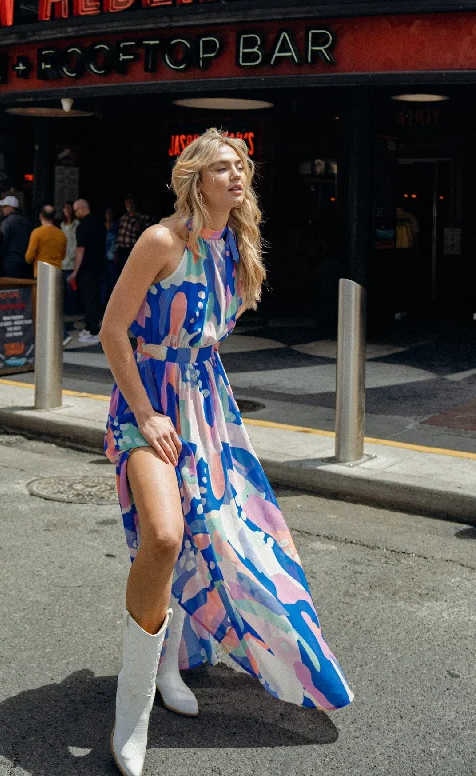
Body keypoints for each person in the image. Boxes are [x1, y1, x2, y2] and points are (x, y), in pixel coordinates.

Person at [100, 129, 353, 776]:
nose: (236, 175)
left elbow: (208, 334)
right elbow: (111, 331)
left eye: (241, 165)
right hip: (148, 401)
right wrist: (148, 412)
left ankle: (169, 670)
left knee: (219, 536)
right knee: (162, 535)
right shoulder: (163, 241)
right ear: (194, 178)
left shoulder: (236, 246)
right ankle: (132, 717)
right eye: (221, 166)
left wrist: (198, 407)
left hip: (205, 405)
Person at [68, 199, 105, 344]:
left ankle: (92, 330)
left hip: (86, 267)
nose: (76, 213)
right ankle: (92, 326)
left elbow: (80, 250)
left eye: (76, 210)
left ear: (82, 209)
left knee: (88, 299)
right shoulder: (99, 223)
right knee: (94, 297)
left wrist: (75, 271)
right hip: (98, 265)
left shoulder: (83, 226)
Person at [25, 205, 67, 277]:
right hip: (56, 273)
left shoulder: (37, 232)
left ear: (40, 216)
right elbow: (63, 256)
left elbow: (29, 257)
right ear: (53, 217)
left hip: (41, 273)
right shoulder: (61, 234)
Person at [114, 195, 151, 275]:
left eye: (131, 203)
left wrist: (141, 229)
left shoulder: (142, 218)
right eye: (127, 204)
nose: (129, 206)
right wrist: (116, 251)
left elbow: (148, 235)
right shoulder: (123, 218)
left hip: (133, 250)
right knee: (120, 273)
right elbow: (119, 236)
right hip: (121, 250)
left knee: (131, 273)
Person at [0, 195, 32, 278]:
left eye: (4, 206)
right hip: (25, 262)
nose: (2, 209)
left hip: (10, 262)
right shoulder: (27, 222)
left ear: (11, 208)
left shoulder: (7, 222)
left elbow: (3, 242)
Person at [61, 201, 79, 316]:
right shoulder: (62, 225)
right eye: (65, 208)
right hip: (63, 259)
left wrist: (73, 255)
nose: (66, 210)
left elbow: (77, 242)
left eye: (68, 208)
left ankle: (72, 308)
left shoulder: (77, 224)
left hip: (72, 259)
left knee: (71, 287)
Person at [101, 207, 119, 305]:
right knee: (104, 282)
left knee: (113, 280)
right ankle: (103, 303)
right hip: (103, 256)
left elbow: (117, 240)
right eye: (107, 213)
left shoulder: (116, 225)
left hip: (112, 256)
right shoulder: (102, 226)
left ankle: (113, 304)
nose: (108, 215)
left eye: (110, 213)